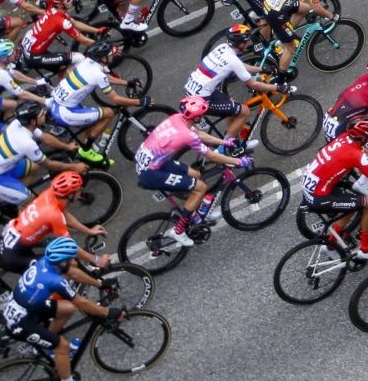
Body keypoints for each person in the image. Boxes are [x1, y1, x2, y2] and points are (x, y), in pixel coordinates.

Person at [133, 96, 251, 248]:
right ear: (197, 117)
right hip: (149, 173)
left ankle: (195, 215)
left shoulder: (177, 117)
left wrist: (224, 142)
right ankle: (178, 231)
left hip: (151, 162)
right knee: (200, 188)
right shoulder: (187, 135)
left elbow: (199, 134)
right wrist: (238, 162)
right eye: (202, 115)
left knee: (196, 175)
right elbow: (211, 155)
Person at [3, 236, 117, 381]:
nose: (74, 261)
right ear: (63, 262)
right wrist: (108, 312)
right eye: (71, 259)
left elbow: (73, 273)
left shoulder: (45, 261)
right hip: (20, 322)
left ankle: (47, 344)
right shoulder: (56, 281)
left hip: (24, 307)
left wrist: (100, 284)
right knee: (62, 345)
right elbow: (82, 303)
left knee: (68, 308)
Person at [298, 118, 368, 261]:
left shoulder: (344, 137)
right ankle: (366, 249)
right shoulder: (355, 155)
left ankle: (330, 245)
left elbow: (364, 150)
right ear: (363, 137)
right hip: (318, 197)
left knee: (351, 204)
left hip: (309, 188)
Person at [0, 103, 87, 208]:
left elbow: (45, 138)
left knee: (34, 166)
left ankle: (16, 196)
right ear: (33, 121)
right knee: (31, 201)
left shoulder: (19, 123)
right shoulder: (27, 143)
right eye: (41, 114)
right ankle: (21, 208)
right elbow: (49, 164)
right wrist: (74, 167)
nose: (45, 113)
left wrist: (67, 147)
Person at [182, 24, 280, 143]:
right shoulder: (233, 60)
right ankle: (226, 146)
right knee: (245, 111)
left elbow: (239, 64)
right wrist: (278, 87)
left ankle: (234, 138)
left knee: (232, 104)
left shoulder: (222, 47)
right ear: (241, 44)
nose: (248, 43)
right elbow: (253, 84)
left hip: (193, 89)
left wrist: (260, 69)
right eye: (247, 41)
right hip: (202, 98)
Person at [48, 45, 143, 165]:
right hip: (66, 111)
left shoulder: (87, 62)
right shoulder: (98, 74)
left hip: (58, 104)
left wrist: (127, 83)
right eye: (110, 54)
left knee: (88, 121)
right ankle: (86, 150)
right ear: (102, 58)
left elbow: (106, 78)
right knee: (108, 113)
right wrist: (139, 102)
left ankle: (86, 150)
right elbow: (116, 99)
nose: (112, 56)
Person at [0, 174, 109, 274]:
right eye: (79, 189)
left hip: (15, 239)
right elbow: (69, 247)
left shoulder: (50, 194)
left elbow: (66, 216)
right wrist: (96, 260)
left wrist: (89, 231)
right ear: (71, 195)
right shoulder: (54, 215)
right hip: (14, 256)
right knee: (69, 268)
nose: (81, 191)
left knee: (67, 261)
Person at [16, 0, 103, 71]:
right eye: (68, 0)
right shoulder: (62, 22)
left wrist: (97, 30)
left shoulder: (52, 9)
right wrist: (105, 46)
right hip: (33, 55)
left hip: (28, 47)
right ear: (59, 5)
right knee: (79, 58)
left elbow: (76, 23)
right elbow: (84, 40)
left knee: (61, 68)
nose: (71, 1)